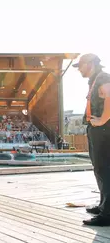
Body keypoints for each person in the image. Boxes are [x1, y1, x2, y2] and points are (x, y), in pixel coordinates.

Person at [73, 53, 110, 226]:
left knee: (105, 169)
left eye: (80, 65)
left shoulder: (103, 77)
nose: (79, 69)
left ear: (89, 63)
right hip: (98, 129)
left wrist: (102, 120)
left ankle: (108, 214)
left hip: (104, 129)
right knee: (100, 169)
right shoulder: (95, 79)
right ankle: (104, 205)